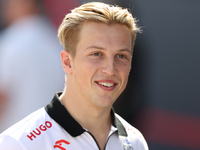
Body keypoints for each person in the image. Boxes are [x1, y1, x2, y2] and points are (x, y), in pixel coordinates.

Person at [0, 2, 149, 150]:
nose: (110, 69)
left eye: (121, 56)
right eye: (96, 54)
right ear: (67, 62)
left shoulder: (135, 142)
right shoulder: (17, 142)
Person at [0, 0, 64, 132]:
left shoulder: (10, 41)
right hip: (51, 136)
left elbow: (2, 96)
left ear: (27, 3)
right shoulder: (57, 43)